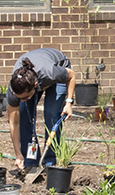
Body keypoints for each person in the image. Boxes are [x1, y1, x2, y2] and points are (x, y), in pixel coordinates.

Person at [5, 48, 75, 182]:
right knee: (24, 115)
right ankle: (30, 161)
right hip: (33, 75)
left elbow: (71, 75)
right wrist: (18, 154)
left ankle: (50, 162)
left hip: (58, 65)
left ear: (35, 86)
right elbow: (14, 123)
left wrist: (68, 102)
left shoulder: (51, 73)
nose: (22, 100)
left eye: (25, 97)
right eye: (20, 98)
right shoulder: (14, 90)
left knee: (52, 114)